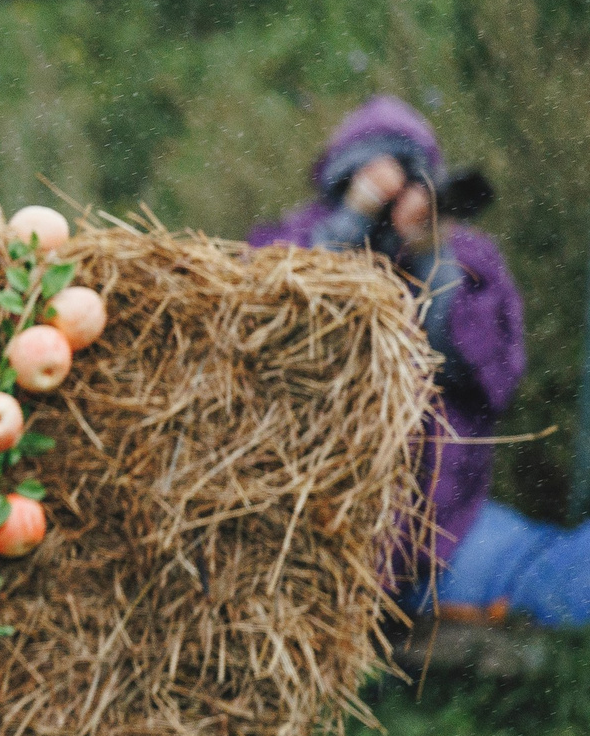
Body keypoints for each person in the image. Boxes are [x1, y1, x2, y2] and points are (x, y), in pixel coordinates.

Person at [247, 96, 590, 625]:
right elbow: (263, 337)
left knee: (563, 577)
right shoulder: (288, 243)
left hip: (442, 538)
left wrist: (431, 258)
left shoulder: (466, 257)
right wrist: (351, 227)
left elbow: (494, 378)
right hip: (302, 541)